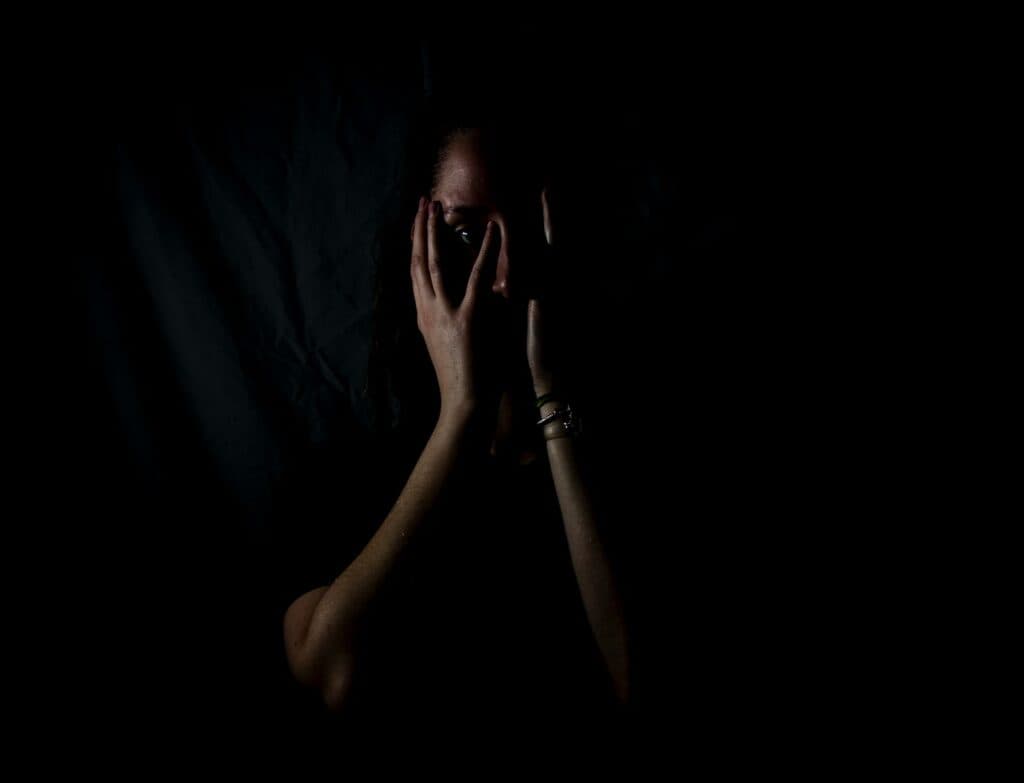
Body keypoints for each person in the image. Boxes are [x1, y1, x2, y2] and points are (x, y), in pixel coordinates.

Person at [273, 95, 633, 762]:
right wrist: (460, 415)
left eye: (525, 229)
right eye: (467, 233)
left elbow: (636, 691)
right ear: (418, 249)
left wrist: (550, 387)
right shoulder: (345, 481)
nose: (502, 275)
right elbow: (328, 675)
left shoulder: (616, 467)